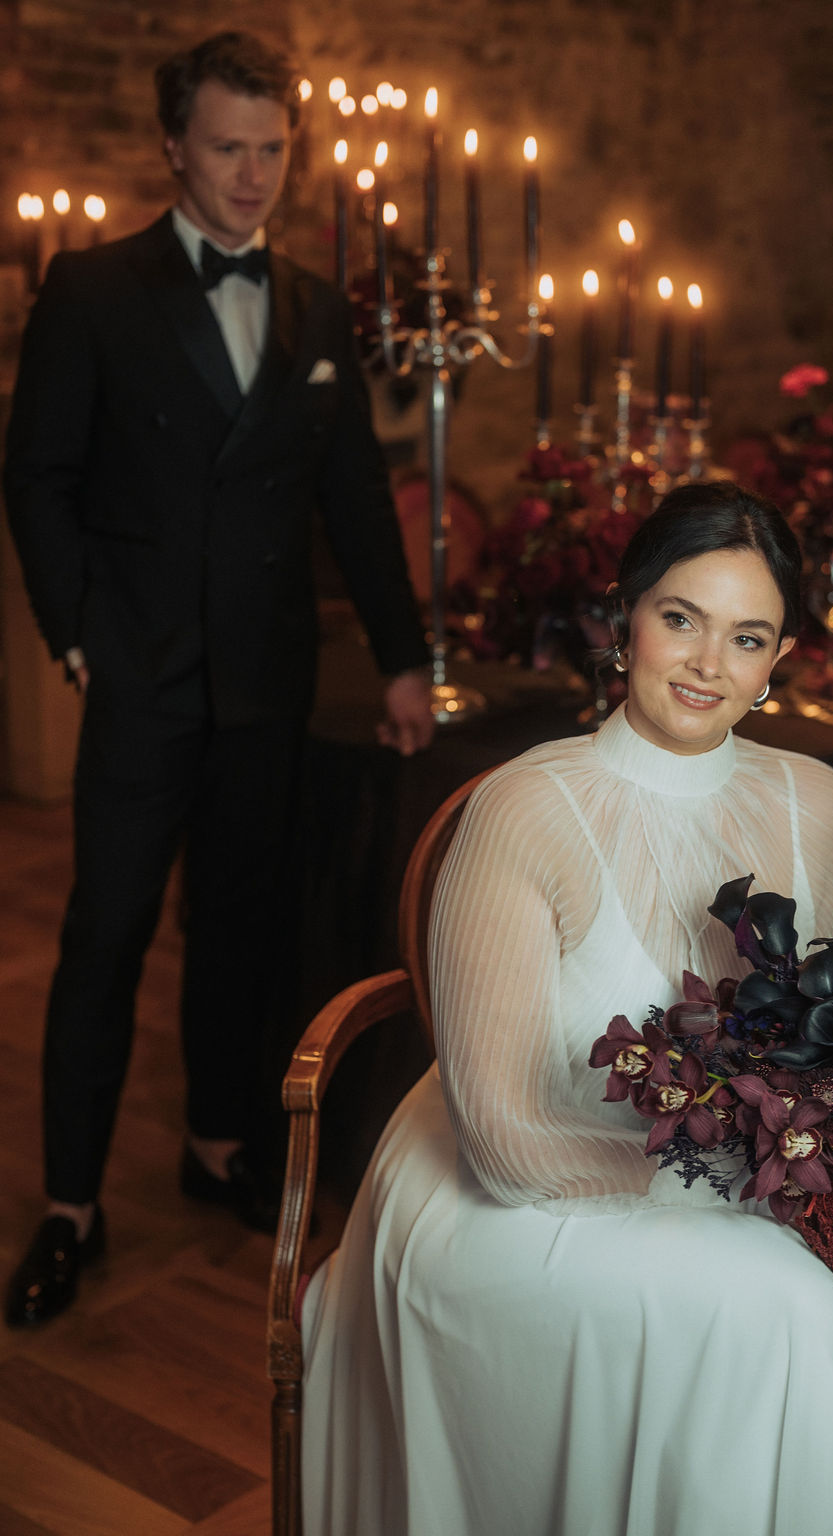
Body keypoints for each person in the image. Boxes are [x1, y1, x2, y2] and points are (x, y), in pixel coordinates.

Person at [299, 481, 833, 1535]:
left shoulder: (819, 803)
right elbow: (504, 1142)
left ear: (778, 660)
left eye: (747, 638)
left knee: (790, 1308)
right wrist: (746, 1180)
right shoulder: (521, 810)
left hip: (720, 1194)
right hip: (506, 1198)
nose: (707, 664)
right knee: (790, 1311)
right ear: (624, 617)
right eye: (680, 618)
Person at [3, 30, 434, 1330]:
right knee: (106, 939)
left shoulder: (313, 303)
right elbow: (36, 476)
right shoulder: (93, 289)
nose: (254, 174)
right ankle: (70, 1206)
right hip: (141, 679)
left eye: (272, 149)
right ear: (173, 148)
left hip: (264, 681)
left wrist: (404, 657)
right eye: (229, 147)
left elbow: (356, 499)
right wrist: (78, 633)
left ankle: (216, 1142)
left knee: (241, 934)